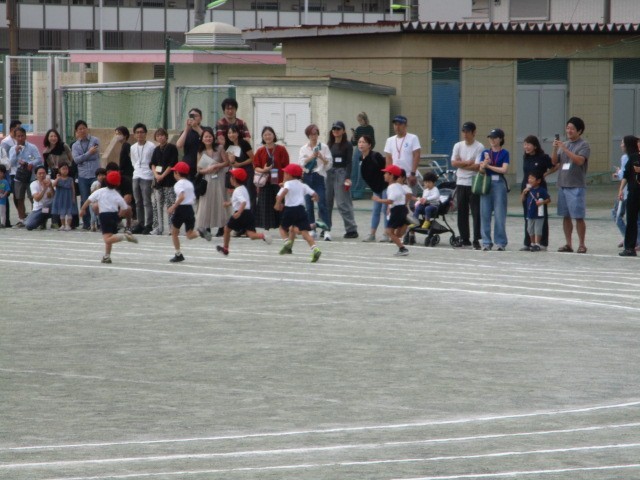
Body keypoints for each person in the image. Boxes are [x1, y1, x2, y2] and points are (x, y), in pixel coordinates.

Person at [79, 170, 138, 264]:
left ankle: (124, 237)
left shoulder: (100, 191)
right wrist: (120, 214)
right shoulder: (116, 194)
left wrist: (82, 209)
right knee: (109, 236)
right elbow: (124, 207)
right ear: (117, 183)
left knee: (107, 238)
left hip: (104, 216)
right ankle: (107, 256)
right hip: (114, 216)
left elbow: (89, 200)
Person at [552, 117, 591, 254]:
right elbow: (554, 162)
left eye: (572, 128)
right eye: (567, 128)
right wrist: (555, 148)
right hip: (563, 184)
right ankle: (568, 244)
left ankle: (582, 244)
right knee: (565, 216)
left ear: (579, 131)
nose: (569, 131)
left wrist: (564, 148)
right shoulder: (564, 144)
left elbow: (580, 161)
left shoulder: (583, 145)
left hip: (576, 185)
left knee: (578, 216)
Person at [216, 168, 272, 256]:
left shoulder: (237, 190)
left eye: (231, 177)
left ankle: (225, 248)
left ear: (234, 179)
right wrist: (228, 203)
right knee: (251, 235)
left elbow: (243, 202)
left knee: (226, 229)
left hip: (241, 213)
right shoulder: (243, 188)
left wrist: (238, 213)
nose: (230, 178)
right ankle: (263, 236)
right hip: (248, 214)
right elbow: (239, 201)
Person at [275, 163, 322, 263]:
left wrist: (278, 203)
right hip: (301, 210)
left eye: (285, 173)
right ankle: (315, 248)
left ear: (290, 175)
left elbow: (283, 192)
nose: (284, 175)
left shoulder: (287, 184)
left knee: (282, 228)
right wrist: (315, 198)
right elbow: (314, 194)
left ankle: (287, 242)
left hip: (290, 209)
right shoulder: (303, 185)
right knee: (304, 232)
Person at [167, 161, 212, 263]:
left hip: (181, 209)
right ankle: (200, 232)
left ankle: (178, 254)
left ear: (177, 173)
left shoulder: (178, 184)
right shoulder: (189, 184)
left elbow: (181, 196)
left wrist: (173, 207)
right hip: (190, 209)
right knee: (189, 234)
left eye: (174, 172)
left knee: (174, 233)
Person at [451, 121, 484, 249]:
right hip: (461, 182)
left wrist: (461, 164)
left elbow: (477, 166)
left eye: (468, 132)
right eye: (463, 131)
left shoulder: (479, 146)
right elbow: (453, 163)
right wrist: (467, 162)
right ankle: (465, 238)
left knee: (476, 212)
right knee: (462, 211)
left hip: (473, 182)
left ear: (474, 132)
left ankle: (476, 238)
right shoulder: (458, 145)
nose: (465, 134)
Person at [519, 135, 555, 251]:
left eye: (528, 144)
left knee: (540, 216)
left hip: (539, 190)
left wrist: (545, 174)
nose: (526, 147)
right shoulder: (526, 157)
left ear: (535, 146)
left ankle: (542, 243)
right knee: (528, 216)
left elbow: (554, 166)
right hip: (527, 189)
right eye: (525, 144)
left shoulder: (543, 157)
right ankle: (528, 243)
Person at [477, 128, 510, 251]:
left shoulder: (504, 153)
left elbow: (504, 170)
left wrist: (489, 166)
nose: (492, 140)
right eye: (490, 138)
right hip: (486, 182)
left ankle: (500, 242)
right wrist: (483, 166)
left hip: (499, 183)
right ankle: (486, 242)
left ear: (500, 139)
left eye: (495, 138)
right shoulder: (485, 152)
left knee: (499, 214)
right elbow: (481, 170)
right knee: (484, 213)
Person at [195, 126, 230, 237]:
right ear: (202, 138)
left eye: (210, 136)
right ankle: (207, 227)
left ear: (213, 138)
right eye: (206, 137)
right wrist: (208, 170)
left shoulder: (220, 148)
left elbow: (227, 162)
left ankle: (221, 227)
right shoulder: (201, 152)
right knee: (207, 202)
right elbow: (199, 169)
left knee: (220, 201)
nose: (208, 139)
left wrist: (217, 165)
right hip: (207, 179)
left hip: (220, 178)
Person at [298, 123, 331, 239]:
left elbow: (329, 164)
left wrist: (321, 157)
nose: (314, 136)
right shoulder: (303, 148)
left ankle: (326, 230)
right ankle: (312, 229)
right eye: (311, 134)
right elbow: (301, 163)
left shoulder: (324, 147)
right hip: (307, 176)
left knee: (322, 203)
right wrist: (312, 156)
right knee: (309, 204)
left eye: (316, 134)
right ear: (308, 135)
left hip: (319, 176)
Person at [326, 121, 358, 239]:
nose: (336, 131)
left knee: (342, 202)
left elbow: (349, 162)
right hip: (329, 172)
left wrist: (348, 177)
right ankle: (326, 228)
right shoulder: (329, 144)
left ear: (343, 131)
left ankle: (351, 229)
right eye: (334, 129)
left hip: (341, 172)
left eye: (338, 129)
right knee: (327, 201)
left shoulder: (347, 145)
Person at [253, 126, 289, 232]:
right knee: (266, 205)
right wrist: (264, 170)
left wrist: (285, 181)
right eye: (265, 135)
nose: (267, 137)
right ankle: (267, 227)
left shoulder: (281, 149)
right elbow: (256, 167)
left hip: (279, 181)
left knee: (281, 203)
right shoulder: (260, 151)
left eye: (269, 134)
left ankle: (284, 226)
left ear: (274, 136)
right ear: (262, 137)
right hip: (265, 182)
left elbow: (286, 166)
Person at [372, 165, 409, 256]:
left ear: (392, 176)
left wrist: (378, 200)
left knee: (389, 231)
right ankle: (402, 244)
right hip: (402, 209)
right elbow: (405, 196)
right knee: (396, 233)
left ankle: (402, 249)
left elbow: (390, 201)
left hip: (397, 210)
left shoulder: (392, 187)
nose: (384, 175)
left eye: (386, 173)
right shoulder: (398, 186)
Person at [9, 126, 43, 227]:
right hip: (19, 177)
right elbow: (11, 163)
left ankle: (34, 218)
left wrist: (31, 163)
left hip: (31, 176)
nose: (20, 138)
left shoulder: (32, 147)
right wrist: (16, 153)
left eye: (22, 136)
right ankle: (21, 219)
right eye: (18, 136)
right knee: (19, 198)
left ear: (25, 136)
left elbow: (39, 159)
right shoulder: (12, 149)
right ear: (15, 137)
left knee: (32, 197)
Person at [358, 135, 388, 242]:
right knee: (376, 210)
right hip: (375, 188)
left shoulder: (376, 156)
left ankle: (386, 234)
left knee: (385, 210)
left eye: (363, 142)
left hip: (385, 186)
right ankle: (372, 234)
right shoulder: (360, 158)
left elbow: (386, 169)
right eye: (359, 142)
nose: (361, 144)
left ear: (369, 145)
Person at [71, 120, 100, 230]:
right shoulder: (75, 145)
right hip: (82, 175)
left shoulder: (95, 140)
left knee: (96, 198)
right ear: (76, 131)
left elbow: (95, 155)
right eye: (80, 129)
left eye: (84, 128)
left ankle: (98, 221)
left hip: (94, 173)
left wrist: (83, 157)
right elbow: (76, 160)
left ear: (87, 129)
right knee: (84, 199)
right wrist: (89, 153)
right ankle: (86, 222)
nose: (82, 130)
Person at [42, 128, 74, 229]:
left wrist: (68, 170)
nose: (53, 138)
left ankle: (72, 222)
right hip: (55, 174)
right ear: (48, 138)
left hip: (67, 172)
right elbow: (46, 166)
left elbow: (71, 158)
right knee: (57, 197)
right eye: (51, 136)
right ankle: (58, 222)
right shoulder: (46, 151)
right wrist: (48, 177)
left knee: (69, 197)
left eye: (55, 136)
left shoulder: (64, 146)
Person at [149, 128, 178, 236]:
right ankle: (157, 227)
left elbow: (172, 164)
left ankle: (172, 227)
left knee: (170, 204)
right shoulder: (156, 149)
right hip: (158, 181)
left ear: (166, 136)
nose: (160, 137)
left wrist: (162, 175)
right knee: (156, 205)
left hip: (169, 180)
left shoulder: (172, 148)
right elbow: (153, 163)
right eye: (158, 136)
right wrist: (156, 175)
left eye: (162, 135)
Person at [383, 115, 421, 191]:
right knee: (395, 198)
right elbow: (388, 159)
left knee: (410, 197)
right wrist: (389, 175)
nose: (397, 127)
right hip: (395, 177)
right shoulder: (389, 140)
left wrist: (413, 173)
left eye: (400, 124)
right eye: (395, 124)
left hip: (408, 176)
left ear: (405, 125)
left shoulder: (413, 138)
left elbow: (416, 155)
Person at [130, 123, 155, 235]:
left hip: (147, 175)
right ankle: (140, 224)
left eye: (142, 132)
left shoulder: (151, 146)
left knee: (147, 201)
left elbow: (153, 160)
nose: (139, 134)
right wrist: (137, 169)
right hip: (136, 175)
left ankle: (149, 224)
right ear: (135, 134)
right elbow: (133, 161)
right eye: (137, 132)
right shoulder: (132, 147)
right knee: (137, 201)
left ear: (145, 134)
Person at [224, 124, 255, 212]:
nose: (231, 135)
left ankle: (251, 215)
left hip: (247, 172)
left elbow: (252, 158)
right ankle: (240, 213)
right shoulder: (228, 145)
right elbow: (231, 162)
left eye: (233, 132)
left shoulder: (243, 143)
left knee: (249, 194)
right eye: (229, 133)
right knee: (239, 194)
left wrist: (239, 164)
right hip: (237, 174)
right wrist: (233, 162)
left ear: (238, 133)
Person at [618, 135, 640, 257]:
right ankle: (630, 248)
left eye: (623, 143)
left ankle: (631, 247)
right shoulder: (632, 157)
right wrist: (621, 190)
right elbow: (626, 175)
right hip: (633, 192)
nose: (621, 145)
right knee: (631, 219)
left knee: (633, 220)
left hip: (636, 191)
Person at [521, 171, 551, 252]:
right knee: (530, 229)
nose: (529, 180)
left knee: (538, 229)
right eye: (529, 178)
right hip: (530, 213)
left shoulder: (542, 190)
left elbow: (548, 199)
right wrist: (523, 192)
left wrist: (542, 202)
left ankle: (537, 244)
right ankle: (532, 243)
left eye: (532, 178)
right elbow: (522, 200)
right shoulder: (528, 190)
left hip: (539, 214)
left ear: (538, 181)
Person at [0, 120, 22, 226]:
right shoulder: (6, 142)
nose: (20, 130)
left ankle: (10, 219)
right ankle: (6, 220)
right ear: (12, 129)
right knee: (7, 195)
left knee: (15, 195)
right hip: (8, 172)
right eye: (18, 128)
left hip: (17, 171)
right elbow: (4, 159)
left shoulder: (18, 140)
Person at [350, 112, 375, 199]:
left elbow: (373, 142)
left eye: (361, 120)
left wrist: (368, 150)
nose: (360, 122)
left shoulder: (370, 128)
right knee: (354, 172)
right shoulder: (358, 128)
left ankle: (358, 194)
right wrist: (353, 137)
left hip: (366, 151)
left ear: (365, 119)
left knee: (361, 172)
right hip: (357, 151)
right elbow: (353, 143)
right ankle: (352, 192)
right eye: (359, 121)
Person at [176, 107, 204, 179]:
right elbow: (179, 145)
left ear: (201, 118)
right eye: (191, 116)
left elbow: (206, 138)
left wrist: (196, 127)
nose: (193, 118)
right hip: (188, 164)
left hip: (203, 164)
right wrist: (186, 129)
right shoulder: (186, 132)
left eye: (196, 116)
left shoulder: (206, 130)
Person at [25, 166, 54, 230]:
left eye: (43, 173)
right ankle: (42, 220)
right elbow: (37, 199)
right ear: (36, 175)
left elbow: (55, 196)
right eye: (40, 173)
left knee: (57, 205)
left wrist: (51, 186)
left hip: (50, 207)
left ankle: (55, 223)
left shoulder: (52, 182)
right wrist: (44, 189)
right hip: (39, 209)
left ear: (46, 174)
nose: (42, 175)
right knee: (29, 225)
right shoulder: (33, 184)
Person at [51, 163, 78, 231]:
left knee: (69, 212)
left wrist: (73, 197)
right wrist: (57, 178)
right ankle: (63, 225)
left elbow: (73, 189)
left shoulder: (70, 179)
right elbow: (53, 185)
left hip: (68, 197)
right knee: (61, 212)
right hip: (60, 197)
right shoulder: (58, 179)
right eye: (63, 169)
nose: (65, 170)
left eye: (66, 169)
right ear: (59, 170)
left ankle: (68, 225)